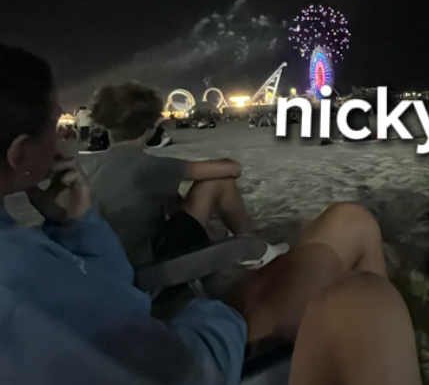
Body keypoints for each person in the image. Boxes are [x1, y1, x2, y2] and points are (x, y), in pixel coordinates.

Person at [0, 43, 429, 385]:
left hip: (149, 327)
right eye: (54, 127)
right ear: (19, 153)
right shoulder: (15, 288)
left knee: (344, 230)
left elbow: (109, 295)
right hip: (184, 357)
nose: (64, 145)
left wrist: (77, 225)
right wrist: (213, 313)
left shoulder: (19, 245)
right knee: (362, 273)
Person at [82, 82, 285, 268]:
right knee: (219, 181)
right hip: (147, 265)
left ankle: (226, 237)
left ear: (105, 124)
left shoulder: (88, 164)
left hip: (103, 264)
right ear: (151, 127)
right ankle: (252, 249)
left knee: (166, 197)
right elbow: (233, 169)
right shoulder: (150, 166)